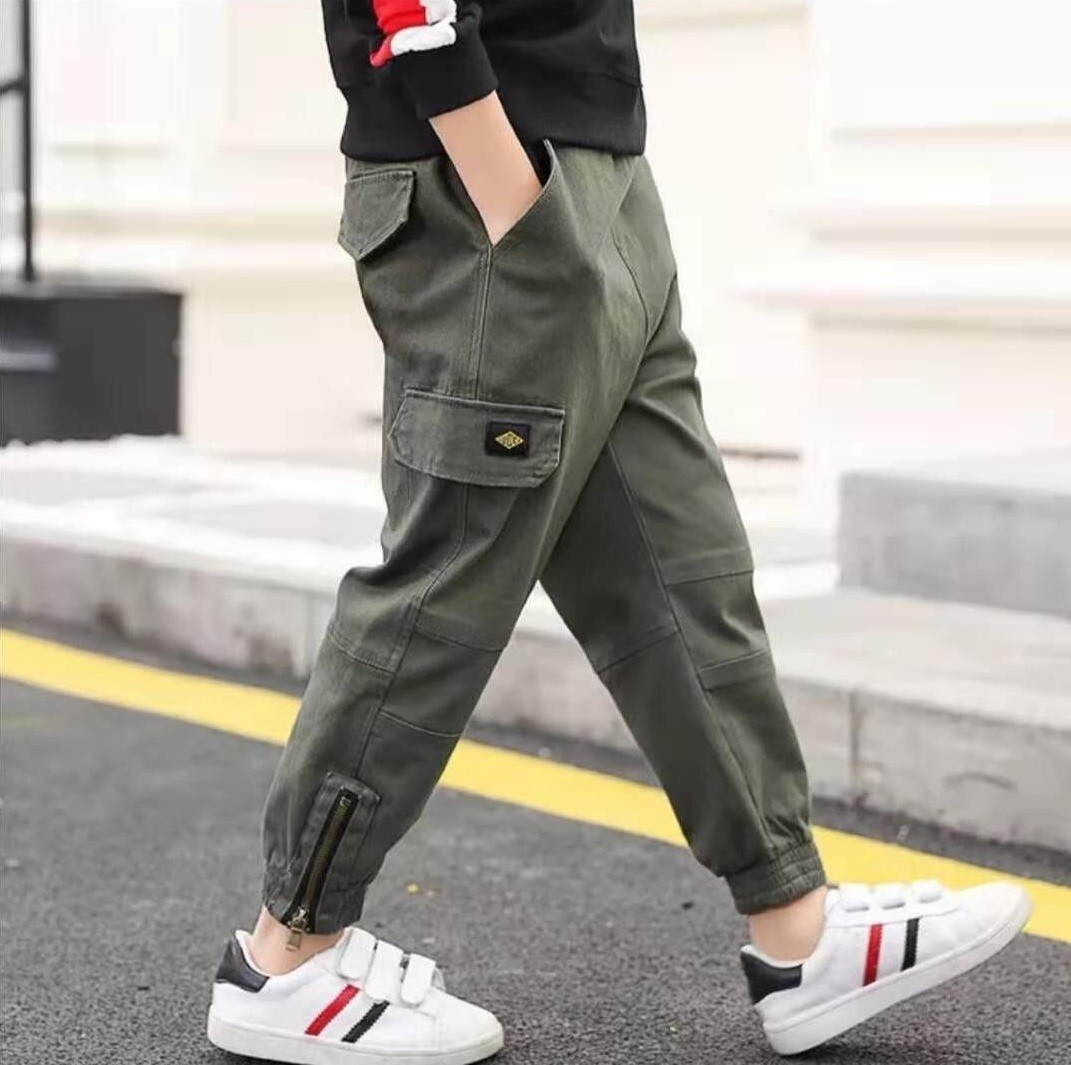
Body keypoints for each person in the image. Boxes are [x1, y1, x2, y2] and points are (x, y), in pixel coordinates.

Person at [206, 2, 1032, 1061]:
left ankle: (796, 928)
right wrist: (514, 199)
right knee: (447, 583)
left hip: (598, 178)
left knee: (684, 572)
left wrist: (569, 206)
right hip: (488, 188)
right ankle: (288, 953)